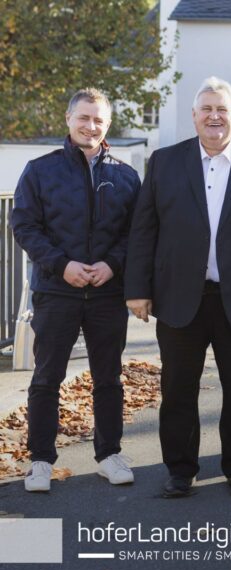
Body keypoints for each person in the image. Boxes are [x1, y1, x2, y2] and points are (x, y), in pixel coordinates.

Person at [125, 77, 231, 499]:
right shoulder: (165, 162)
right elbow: (144, 230)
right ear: (194, 115)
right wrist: (137, 288)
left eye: (223, 109)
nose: (214, 117)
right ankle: (180, 470)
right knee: (178, 390)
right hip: (180, 297)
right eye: (207, 109)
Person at [13, 88, 140, 492]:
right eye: (84, 118)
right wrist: (61, 265)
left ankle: (109, 455)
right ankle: (39, 461)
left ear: (108, 125)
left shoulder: (125, 175)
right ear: (68, 119)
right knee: (47, 378)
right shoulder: (39, 170)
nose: (91, 126)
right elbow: (25, 226)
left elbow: (134, 233)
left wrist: (112, 264)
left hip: (106, 293)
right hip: (56, 290)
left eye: (99, 120)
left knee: (109, 378)